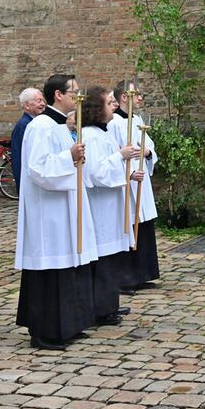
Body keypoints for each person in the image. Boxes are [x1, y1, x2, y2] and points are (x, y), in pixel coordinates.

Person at [14, 74, 97, 351]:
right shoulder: (41, 126)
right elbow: (37, 168)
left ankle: (68, 325)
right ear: (58, 95)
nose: (78, 96)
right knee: (51, 270)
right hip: (47, 213)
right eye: (74, 91)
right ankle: (46, 331)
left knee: (68, 268)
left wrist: (75, 157)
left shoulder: (61, 126)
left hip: (65, 209)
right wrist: (69, 157)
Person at [79, 86, 138, 327]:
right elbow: (96, 173)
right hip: (100, 206)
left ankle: (109, 303)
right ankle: (101, 308)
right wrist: (121, 157)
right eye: (108, 102)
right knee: (103, 258)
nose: (113, 105)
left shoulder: (103, 134)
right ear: (97, 109)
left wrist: (129, 172)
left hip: (111, 204)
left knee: (112, 258)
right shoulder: (90, 136)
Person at [108, 80, 160, 292]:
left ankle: (142, 274)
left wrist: (147, 153)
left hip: (142, 181)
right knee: (128, 225)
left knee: (143, 225)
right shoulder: (113, 123)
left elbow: (149, 146)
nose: (140, 98)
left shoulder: (137, 119)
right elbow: (113, 153)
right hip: (126, 182)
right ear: (123, 97)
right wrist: (128, 172)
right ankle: (125, 278)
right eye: (136, 94)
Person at [10, 87, 46, 192]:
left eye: (43, 100)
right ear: (27, 105)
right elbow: (20, 157)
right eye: (38, 101)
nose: (43, 104)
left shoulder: (35, 122)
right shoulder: (24, 125)